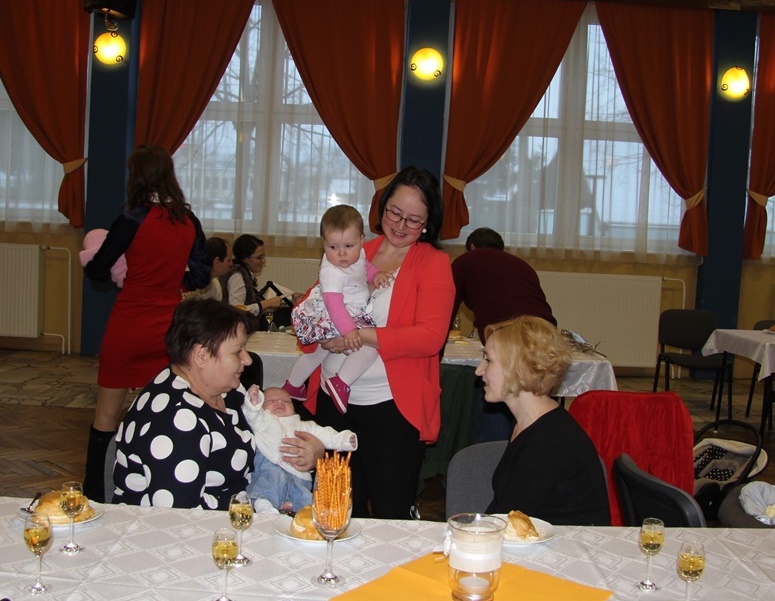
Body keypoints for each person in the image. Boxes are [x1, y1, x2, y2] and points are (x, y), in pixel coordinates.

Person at [300, 166, 456, 519]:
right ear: (381, 207)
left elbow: (430, 337)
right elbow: (315, 302)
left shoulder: (433, 264)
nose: (400, 225)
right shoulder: (355, 247)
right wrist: (325, 333)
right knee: (335, 509)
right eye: (394, 213)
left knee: (390, 514)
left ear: (428, 224)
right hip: (334, 403)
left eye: (413, 220)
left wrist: (358, 336)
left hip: (390, 409)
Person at [82, 144, 211, 502]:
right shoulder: (188, 221)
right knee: (163, 411)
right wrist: (175, 282)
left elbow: (97, 270)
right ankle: (156, 486)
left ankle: (96, 494)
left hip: (129, 323)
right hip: (168, 327)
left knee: (106, 416)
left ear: (137, 177)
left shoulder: (133, 218)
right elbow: (201, 275)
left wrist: (122, 269)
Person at [112, 299, 325, 509]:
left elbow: (271, 429)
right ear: (202, 355)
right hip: (194, 526)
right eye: (237, 351)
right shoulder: (175, 418)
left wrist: (312, 450)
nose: (248, 360)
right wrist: (254, 507)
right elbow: (179, 512)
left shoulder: (227, 389)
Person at [478, 315, 610, 525]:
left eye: (488, 360)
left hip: (567, 543)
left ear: (520, 368)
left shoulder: (549, 441)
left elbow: (508, 521)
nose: (479, 370)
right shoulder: (528, 422)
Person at [451, 227, 556, 442]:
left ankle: (494, 449)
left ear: (472, 247)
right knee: (532, 397)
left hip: (508, 337)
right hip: (544, 334)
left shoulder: (467, 261)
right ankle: (535, 442)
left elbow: (446, 306)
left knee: (496, 391)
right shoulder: (522, 265)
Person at [284, 205, 392, 413]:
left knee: (319, 351)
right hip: (336, 314)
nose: (342, 254)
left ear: (362, 241)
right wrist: (350, 331)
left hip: (339, 312)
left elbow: (363, 266)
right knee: (369, 348)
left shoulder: (358, 255)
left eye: (349, 246)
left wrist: (375, 274)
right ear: (323, 243)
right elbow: (334, 304)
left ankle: (293, 384)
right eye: (333, 247)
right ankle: (341, 381)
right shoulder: (331, 271)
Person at [243, 385, 357, 512]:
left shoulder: (303, 425)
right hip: (270, 465)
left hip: (298, 472)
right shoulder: (264, 420)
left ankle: (306, 511)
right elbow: (252, 416)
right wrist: (253, 403)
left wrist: (344, 439)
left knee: (304, 494)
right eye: (271, 401)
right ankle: (264, 505)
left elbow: (325, 434)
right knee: (272, 479)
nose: (279, 402)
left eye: (286, 401)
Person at [220, 234, 301, 328]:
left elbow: (247, 306)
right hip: (236, 326)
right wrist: (265, 304)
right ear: (245, 258)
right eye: (259, 258)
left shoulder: (245, 273)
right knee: (288, 315)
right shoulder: (237, 276)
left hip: (248, 321)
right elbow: (236, 311)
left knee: (287, 311)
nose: (263, 261)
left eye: (263, 256)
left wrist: (265, 308)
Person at [182, 236, 233, 301]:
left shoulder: (216, 286)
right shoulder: (186, 279)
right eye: (228, 260)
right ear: (217, 262)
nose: (231, 264)